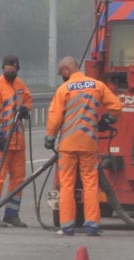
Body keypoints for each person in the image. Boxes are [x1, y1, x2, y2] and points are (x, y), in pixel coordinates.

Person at [45, 56, 121, 236]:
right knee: (90, 184)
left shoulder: (64, 89)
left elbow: (55, 118)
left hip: (68, 145)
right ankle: (92, 225)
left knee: (67, 186)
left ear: (66, 70)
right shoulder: (97, 86)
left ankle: (67, 226)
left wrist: (50, 138)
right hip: (89, 144)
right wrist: (106, 120)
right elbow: (116, 107)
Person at [0, 54, 34, 227]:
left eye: (13, 70)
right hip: (1, 142)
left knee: (18, 177)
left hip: (18, 141)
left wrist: (26, 109)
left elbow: (27, 99)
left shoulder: (20, 85)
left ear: (18, 69)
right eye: (7, 70)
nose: (10, 73)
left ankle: (12, 214)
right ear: (2, 69)